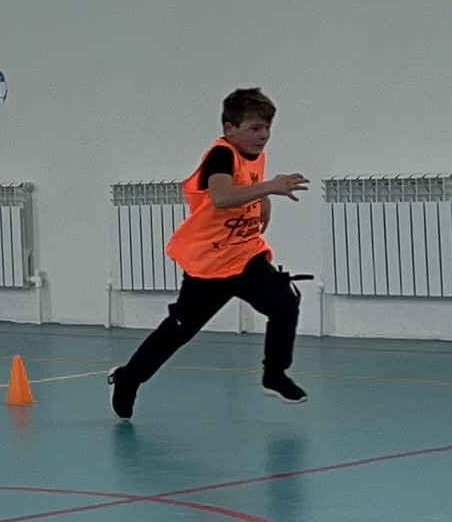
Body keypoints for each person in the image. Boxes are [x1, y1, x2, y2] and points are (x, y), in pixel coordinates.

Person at [110, 88, 312, 418]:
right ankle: (128, 378)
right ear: (230, 129)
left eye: (267, 127)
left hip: (244, 256)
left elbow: (248, 184)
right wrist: (270, 188)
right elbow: (221, 196)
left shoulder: (253, 154)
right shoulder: (221, 155)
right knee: (180, 330)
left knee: (284, 303)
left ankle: (274, 375)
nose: (263, 135)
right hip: (211, 264)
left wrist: (263, 199)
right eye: (255, 128)